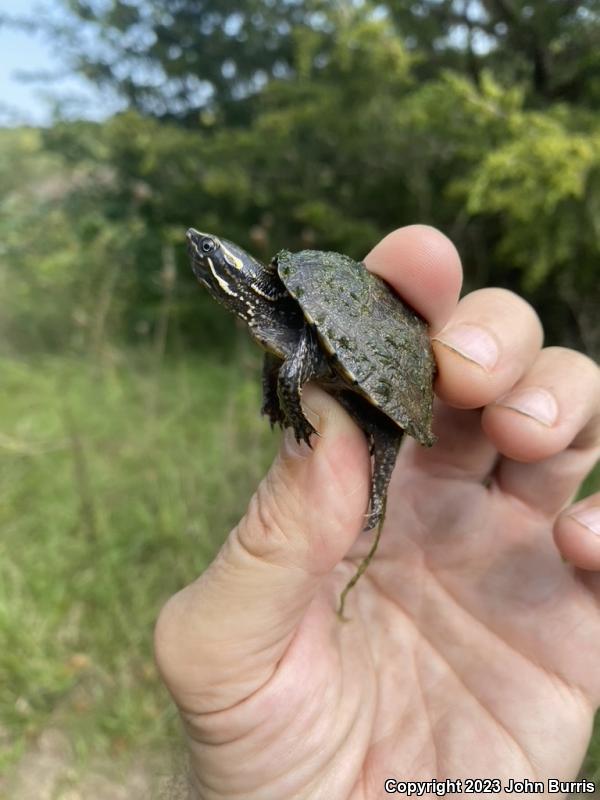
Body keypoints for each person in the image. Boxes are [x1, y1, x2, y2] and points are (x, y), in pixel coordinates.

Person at [154, 225, 600, 798]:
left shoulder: (290, 317)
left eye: (215, 253)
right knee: (302, 380)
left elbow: (295, 365)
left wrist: (292, 397)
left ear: (238, 271)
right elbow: (287, 362)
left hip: (378, 390)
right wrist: (286, 401)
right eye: (211, 253)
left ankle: (377, 499)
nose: (205, 251)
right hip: (347, 382)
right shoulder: (282, 316)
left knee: (348, 423)